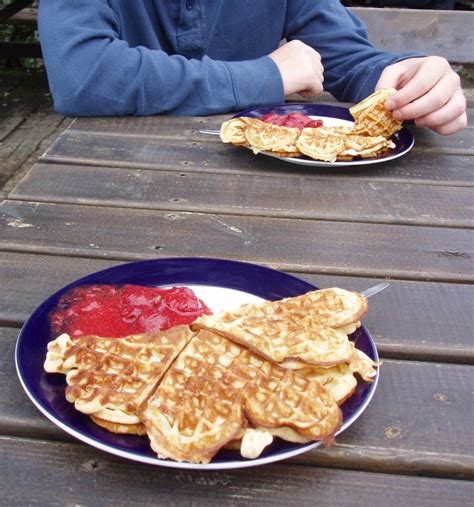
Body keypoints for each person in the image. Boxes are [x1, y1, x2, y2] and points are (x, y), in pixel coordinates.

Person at [38, 1, 467, 135]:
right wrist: (269, 76)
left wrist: (408, 76)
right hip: (107, 183)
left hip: (261, 184)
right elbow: (82, 76)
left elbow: (348, 58)